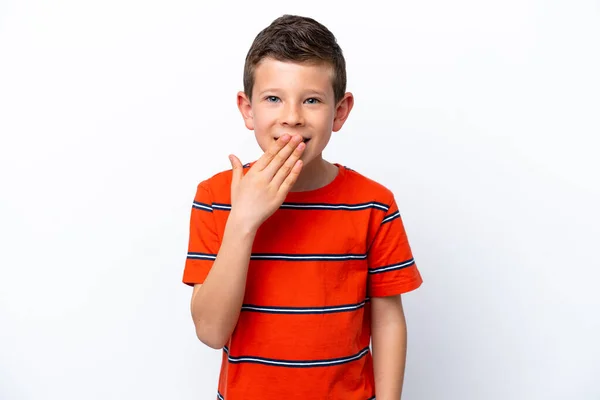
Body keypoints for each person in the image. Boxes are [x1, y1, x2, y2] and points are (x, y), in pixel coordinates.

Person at [182, 14, 423, 399]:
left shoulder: (374, 205)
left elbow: (388, 319)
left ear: (340, 111)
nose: (292, 117)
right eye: (273, 98)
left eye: (311, 100)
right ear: (247, 109)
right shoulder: (216, 197)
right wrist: (243, 220)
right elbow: (211, 331)